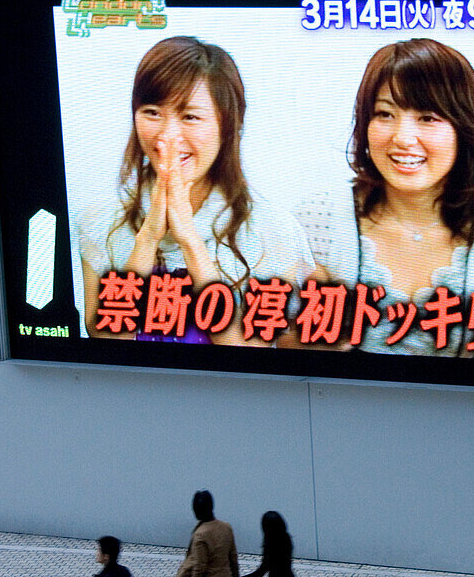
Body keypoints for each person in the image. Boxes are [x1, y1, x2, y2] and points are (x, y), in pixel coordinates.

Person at [295, 38, 474, 360]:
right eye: (384, 113)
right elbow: (283, 367)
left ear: (464, 127)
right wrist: (324, 338)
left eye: (428, 117)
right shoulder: (313, 224)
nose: (402, 138)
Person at [78, 36, 313, 345]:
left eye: (190, 117)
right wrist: (147, 240)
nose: (168, 136)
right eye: (152, 112)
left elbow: (249, 352)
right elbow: (108, 340)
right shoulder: (99, 221)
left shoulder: (272, 230)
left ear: (228, 126)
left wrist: (191, 244)